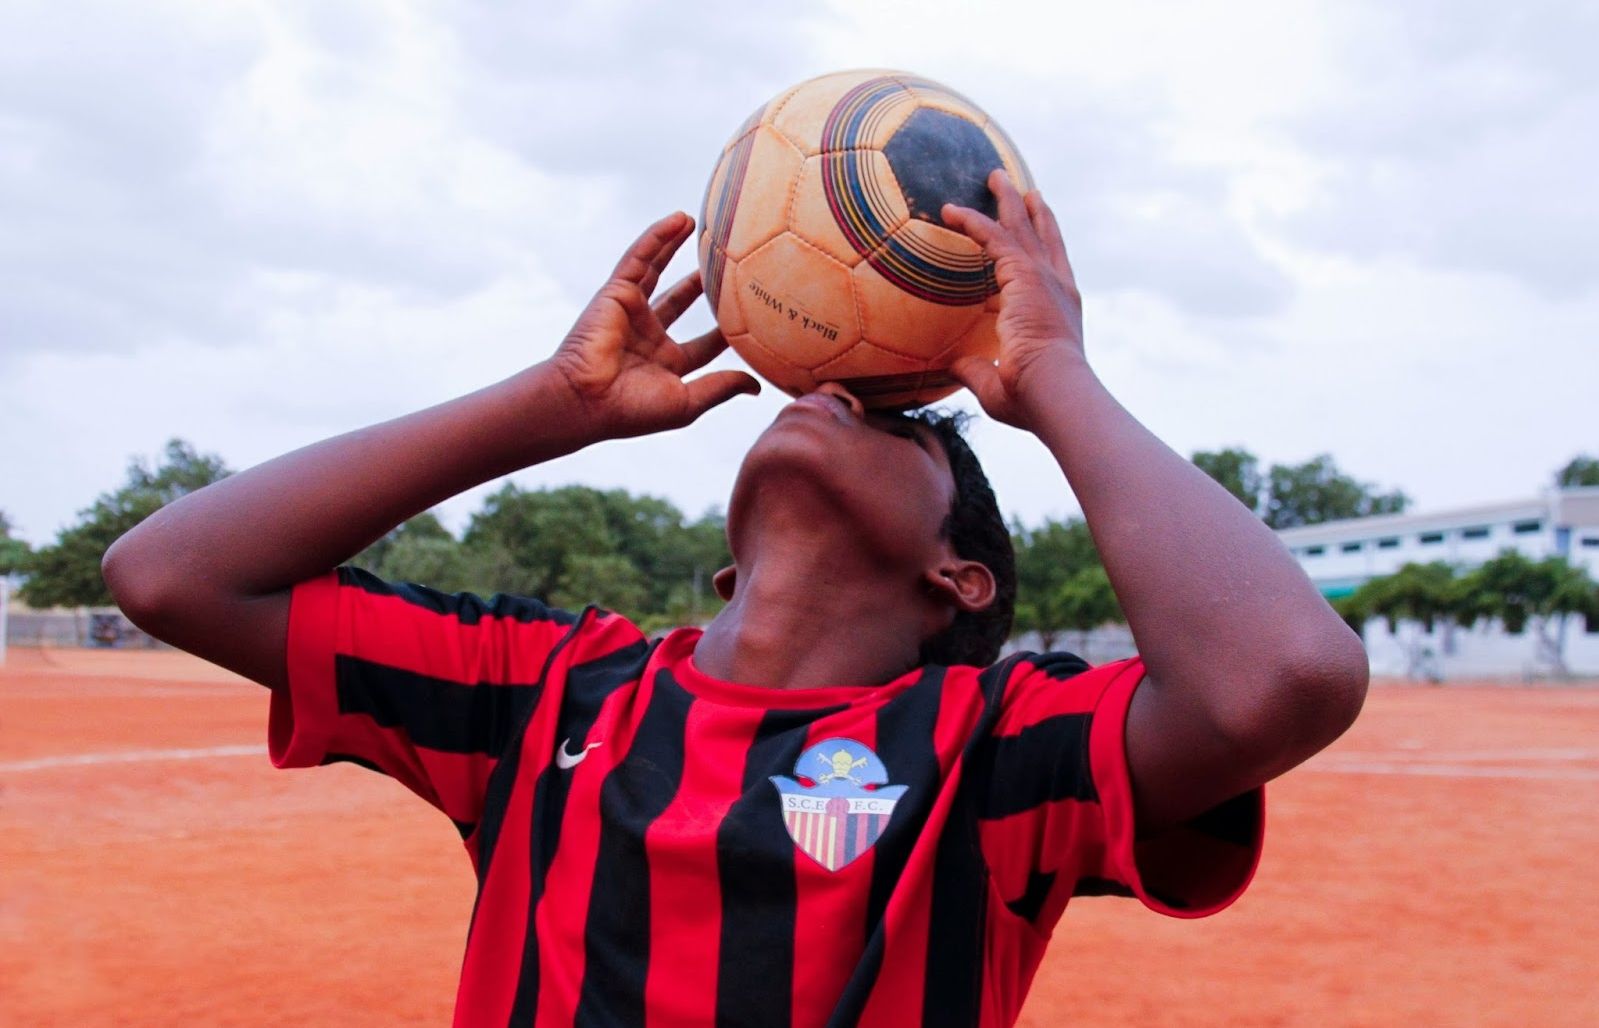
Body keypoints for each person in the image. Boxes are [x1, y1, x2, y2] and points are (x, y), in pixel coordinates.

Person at [104, 170, 1368, 1027]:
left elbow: (1283, 675)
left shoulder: (992, 746)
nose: (832, 389)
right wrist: (551, 405)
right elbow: (167, 571)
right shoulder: (548, 689)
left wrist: (1054, 377)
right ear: (728, 560)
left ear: (959, 575)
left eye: (900, 420)